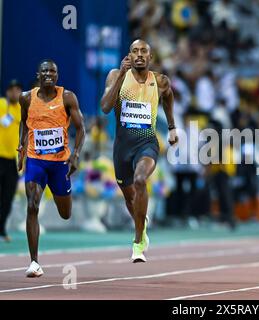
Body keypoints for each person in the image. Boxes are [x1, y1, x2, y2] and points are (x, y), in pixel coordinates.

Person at [101, 39, 178, 262]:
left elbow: (169, 97)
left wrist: (172, 127)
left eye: (144, 51)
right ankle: (141, 225)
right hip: (122, 148)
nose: (140, 55)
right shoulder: (116, 75)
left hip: (147, 143)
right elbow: (105, 107)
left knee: (141, 179)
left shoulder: (160, 81)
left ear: (150, 57)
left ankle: (137, 243)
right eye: (135, 51)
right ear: (129, 55)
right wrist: (122, 76)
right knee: (129, 198)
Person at [18, 59, 86, 277]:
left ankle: (63, 195)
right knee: (32, 205)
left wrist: (75, 155)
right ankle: (34, 262)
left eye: (53, 71)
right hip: (36, 160)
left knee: (65, 214)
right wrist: (22, 146)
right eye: (45, 70)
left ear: (57, 75)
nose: (49, 74)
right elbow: (23, 122)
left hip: (59, 164)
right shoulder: (26, 98)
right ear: (38, 74)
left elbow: (81, 128)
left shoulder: (67, 97)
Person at [0, 80, 23, 242]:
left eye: (17, 90)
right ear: (7, 92)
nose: (14, 93)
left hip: (12, 161)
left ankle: (1, 229)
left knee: (8, 197)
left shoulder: (21, 109)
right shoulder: (1, 104)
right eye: (12, 90)